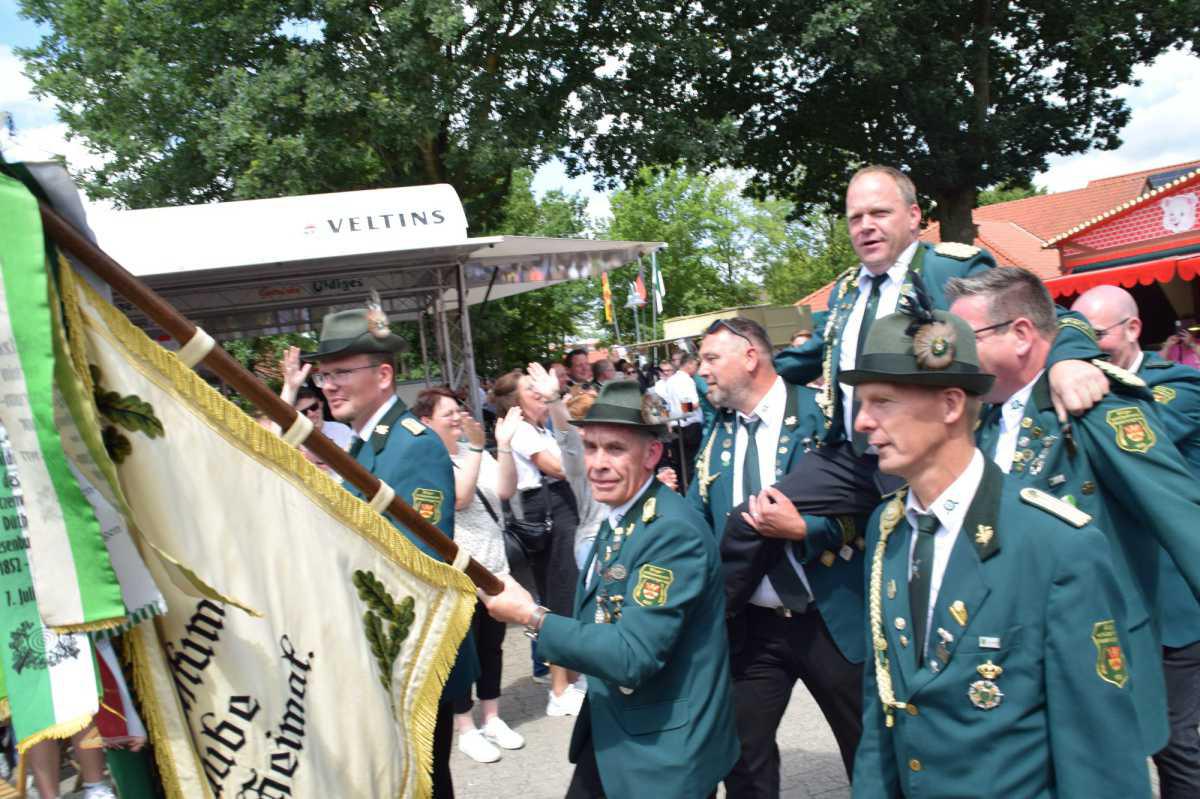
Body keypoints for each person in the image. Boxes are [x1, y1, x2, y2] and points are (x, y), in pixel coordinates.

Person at [845, 305, 1150, 798]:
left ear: (949, 405)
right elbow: (882, 704)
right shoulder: (888, 525)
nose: (861, 422)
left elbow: (1100, 750)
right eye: (861, 403)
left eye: (882, 402)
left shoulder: (1055, 544)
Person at [947, 267, 1200, 756]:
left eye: (966, 338)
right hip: (1010, 661)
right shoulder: (989, 419)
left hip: (1087, 659)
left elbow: (1181, 516)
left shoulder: (1096, 406)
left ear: (1021, 334)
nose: (955, 353)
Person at [479, 380, 740, 798]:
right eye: (591, 447)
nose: (597, 463)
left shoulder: (669, 532)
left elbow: (631, 656)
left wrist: (531, 616)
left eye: (615, 449)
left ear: (652, 454)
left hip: (660, 755)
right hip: (618, 731)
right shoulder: (623, 515)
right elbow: (597, 619)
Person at [302, 306, 477, 798]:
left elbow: (417, 560)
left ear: (383, 375)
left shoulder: (412, 445)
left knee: (421, 785)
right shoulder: (365, 447)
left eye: (340, 372)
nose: (328, 386)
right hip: (384, 654)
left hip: (410, 656)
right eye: (324, 374)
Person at [687, 316, 867, 793]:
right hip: (754, 627)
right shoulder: (718, 433)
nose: (700, 370)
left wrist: (805, 529)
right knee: (742, 755)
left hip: (828, 618)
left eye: (711, 359)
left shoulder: (822, 415)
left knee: (867, 749)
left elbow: (871, 509)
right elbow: (699, 518)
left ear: (751, 357)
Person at [1072, 284, 1200, 797]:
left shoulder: (1176, 387)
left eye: (1095, 334)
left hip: (1170, 603)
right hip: (1112, 597)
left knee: (1175, 741)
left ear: (1132, 330)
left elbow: (1131, 434)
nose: (1085, 345)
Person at [415, 387, 527, 764]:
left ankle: (492, 716)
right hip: (461, 573)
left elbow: (506, 490)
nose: (456, 416)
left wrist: (504, 446)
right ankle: (466, 727)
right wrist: (479, 450)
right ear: (427, 421)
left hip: (495, 566)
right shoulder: (428, 460)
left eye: (457, 409)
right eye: (447, 412)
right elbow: (459, 499)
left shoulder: (470, 451)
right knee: (465, 652)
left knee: (492, 646)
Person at [491, 369, 584, 716]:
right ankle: (559, 690)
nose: (540, 393)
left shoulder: (540, 428)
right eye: (531, 390)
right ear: (516, 402)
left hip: (558, 507)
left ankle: (571, 678)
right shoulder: (522, 433)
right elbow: (559, 467)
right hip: (547, 511)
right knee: (559, 599)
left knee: (567, 594)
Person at [278, 345, 354, 449]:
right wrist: (290, 388)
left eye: (313, 407)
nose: (311, 413)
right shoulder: (292, 387)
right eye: (304, 412)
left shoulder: (317, 380)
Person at [663, 353, 704, 488]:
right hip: (690, 426)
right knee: (692, 463)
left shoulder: (670, 381)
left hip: (676, 425)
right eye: (696, 366)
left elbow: (668, 406)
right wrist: (694, 405)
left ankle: (685, 488)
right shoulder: (686, 380)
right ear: (690, 364)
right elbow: (689, 406)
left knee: (682, 464)